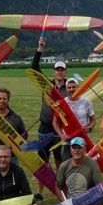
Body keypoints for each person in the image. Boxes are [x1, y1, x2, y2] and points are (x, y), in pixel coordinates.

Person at [56, 137, 103, 205]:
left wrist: (95, 197)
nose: (76, 150)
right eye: (74, 148)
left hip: (88, 202)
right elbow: (58, 186)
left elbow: (99, 185)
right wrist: (64, 201)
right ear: (70, 149)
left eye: (79, 148)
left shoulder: (92, 164)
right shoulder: (64, 166)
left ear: (85, 149)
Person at [32, 38, 67, 170]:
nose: (59, 72)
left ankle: (60, 184)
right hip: (45, 127)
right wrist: (40, 49)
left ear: (65, 72)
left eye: (62, 69)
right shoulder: (46, 85)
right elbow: (34, 68)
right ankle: (41, 189)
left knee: (60, 158)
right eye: (57, 69)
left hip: (61, 127)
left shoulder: (70, 87)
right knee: (42, 159)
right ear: (54, 72)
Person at [54, 77, 96, 161]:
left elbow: (93, 119)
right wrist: (61, 135)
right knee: (67, 166)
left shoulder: (86, 101)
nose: (71, 89)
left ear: (78, 87)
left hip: (83, 139)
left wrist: (89, 127)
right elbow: (55, 122)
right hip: (68, 141)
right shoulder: (62, 103)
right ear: (66, 89)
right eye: (69, 87)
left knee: (84, 166)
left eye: (74, 87)